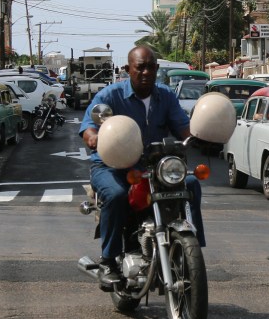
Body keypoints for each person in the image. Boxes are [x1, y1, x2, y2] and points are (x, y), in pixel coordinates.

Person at [80, 45, 203, 290]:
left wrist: (199, 135)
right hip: (112, 166)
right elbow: (88, 128)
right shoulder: (110, 96)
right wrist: (94, 138)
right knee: (115, 195)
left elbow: (183, 127)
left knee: (190, 184)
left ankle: (190, 248)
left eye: (151, 67)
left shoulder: (166, 96)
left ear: (157, 69)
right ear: (128, 69)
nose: (146, 72)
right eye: (140, 67)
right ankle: (108, 262)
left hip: (154, 166)